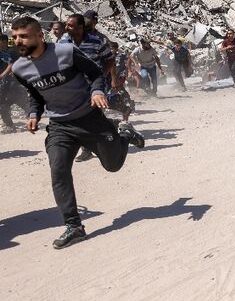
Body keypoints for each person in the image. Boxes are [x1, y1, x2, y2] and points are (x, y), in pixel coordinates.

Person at [10, 16, 145, 249]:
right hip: (61, 127)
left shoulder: (66, 52)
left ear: (40, 36)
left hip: (90, 119)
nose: (18, 42)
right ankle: (74, 226)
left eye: (24, 36)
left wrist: (96, 92)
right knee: (59, 170)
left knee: (113, 166)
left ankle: (123, 133)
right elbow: (35, 95)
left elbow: (95, 74)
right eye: (14, 38)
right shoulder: (20, 68)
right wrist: (34, 114)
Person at [64, 14, 117, 162]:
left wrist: (101, 74)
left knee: (92, 115)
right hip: (74, 87)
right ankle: (87, 149)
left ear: (80, 28)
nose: (66, 28)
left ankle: (109, 135)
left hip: (94, 86)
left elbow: (110, 58)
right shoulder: (64, 42)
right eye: (66, 25)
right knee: (78, 116)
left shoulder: (96, 41)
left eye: (70, 25)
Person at [1, 33, 29, 133]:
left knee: (4, 103)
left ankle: (10, 125)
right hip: (7, 82)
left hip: (11, 81)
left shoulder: (11, 51)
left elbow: (18, 63)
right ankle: (31, 113)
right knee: (13, 101)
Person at [107, 42, 135, 122]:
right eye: (110, 48)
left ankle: (127, 103)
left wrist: (129, 69)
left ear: (116, 49)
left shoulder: (121, 55)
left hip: (120, 75)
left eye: (112, 48)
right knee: (116, 90)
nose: (111, 50)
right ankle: (126, 104)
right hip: (111, 77)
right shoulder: (107, 56)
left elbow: (130, 57)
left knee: (119, 89)